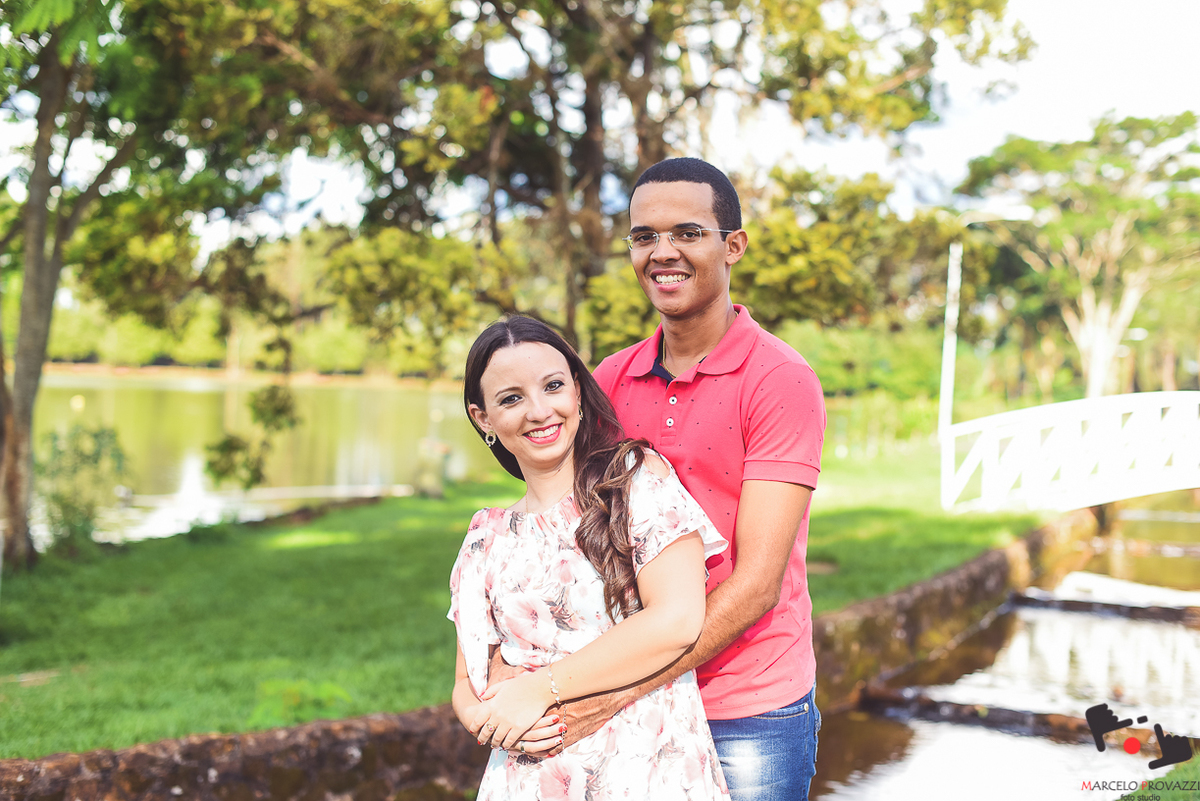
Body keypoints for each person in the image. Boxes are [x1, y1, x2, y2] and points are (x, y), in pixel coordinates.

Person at [508, 157, 827, 800]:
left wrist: (613, 693)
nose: (663, 252)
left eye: (688, 233)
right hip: (631, 695)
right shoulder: (609, 380)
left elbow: (757, 585)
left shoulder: (779, 380)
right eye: (644, 236)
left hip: (745, 708)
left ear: (733, 246)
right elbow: (565, 538)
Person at [448, 315, 731, 800]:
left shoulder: (635, 480)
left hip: (647, 769)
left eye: (553, 386)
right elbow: (467, 680)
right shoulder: (485, 538)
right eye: (511, 399)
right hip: (528, 780)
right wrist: (491, 721)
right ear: (483, 418)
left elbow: (679, 620)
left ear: (578, 391)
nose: (539, 411)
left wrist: (539, 690)